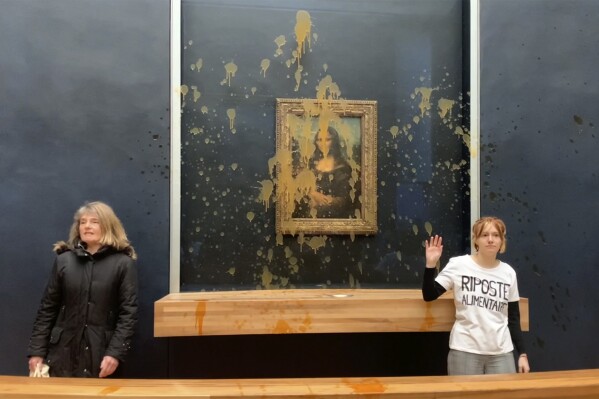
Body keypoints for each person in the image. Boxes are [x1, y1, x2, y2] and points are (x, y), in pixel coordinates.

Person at [27, 201, 138, 378]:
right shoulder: (64, 261)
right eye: (82, 222)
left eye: (94, 221)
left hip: (101, 356)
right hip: (62, 354)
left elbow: (128, 314)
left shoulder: (123, 264)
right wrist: (36, 351)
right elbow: (47, 309)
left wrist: (115, 353)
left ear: (108, 226)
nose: (87, 226)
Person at [422, 216, 530, 375]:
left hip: (501, 353)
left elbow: (513, 318)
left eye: (496, 235)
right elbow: (429, 294)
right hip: (465, 350)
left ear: (501, 241)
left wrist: (522, 354)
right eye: (485, 235)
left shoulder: (508, 273)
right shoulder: (458, 265)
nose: (491, 240)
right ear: (476, 240)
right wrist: (431, 264)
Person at [293, 126, 358, 218]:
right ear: (315, 142)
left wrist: (327, 201)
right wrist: (313, 194)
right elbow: (297, 184)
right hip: (307, 207)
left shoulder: (343, 167)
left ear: (334, 141)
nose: (322, 143)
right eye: (319, 140)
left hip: (331, 212)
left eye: (327, 140)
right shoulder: (310, 163)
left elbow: (346, 199)